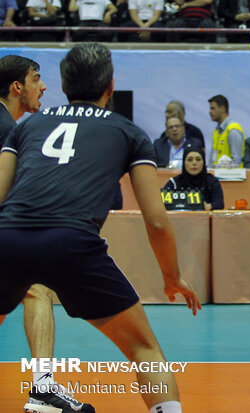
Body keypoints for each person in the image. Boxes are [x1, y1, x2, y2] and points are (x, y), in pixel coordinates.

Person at [0, 43, 201, 413]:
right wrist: (172, 276)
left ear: (63, 84)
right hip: (73, 243)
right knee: (145, 350)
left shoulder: (27, 126)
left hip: (9, 238)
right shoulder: (130, 133)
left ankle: (43, 390)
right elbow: (156, 219)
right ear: (110, 86)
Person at [0, 54, 96, 413]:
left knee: (34, 290)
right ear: (16, 87)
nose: (43, 87)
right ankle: (42, 391)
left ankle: (42, 389)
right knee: (37, 291)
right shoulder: (8, 130)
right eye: (36, 79)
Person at [163, 146, 224, 210]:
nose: (194, 163)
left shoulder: (212, 181)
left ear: (204, 162)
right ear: (184, 162)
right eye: (190, 160)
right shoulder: (174, 182)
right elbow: (162, 203)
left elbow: (219, 204)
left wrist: (210, 206)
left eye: (198, 159)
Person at [208, 94, 245, 168]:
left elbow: (236, 162)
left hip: (231, 177)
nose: (209, 112)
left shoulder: (233, 130)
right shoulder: (216, 131)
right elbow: (212, 159)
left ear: (222, 108)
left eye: (213, 108)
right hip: (218, 175)